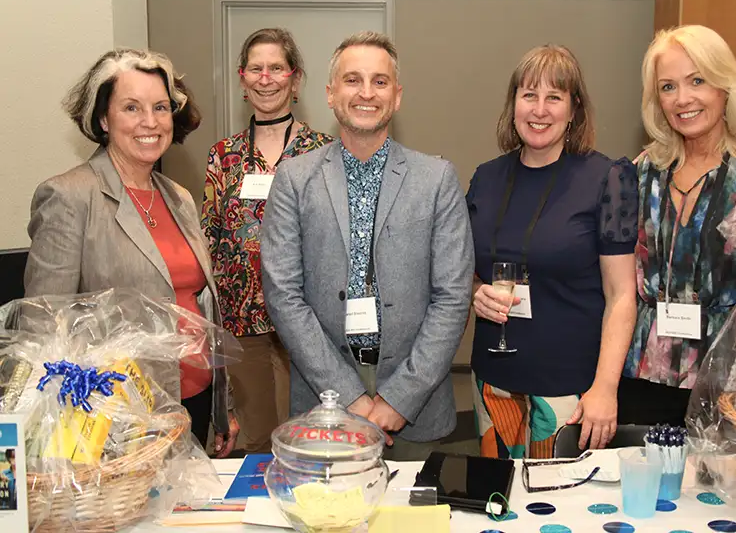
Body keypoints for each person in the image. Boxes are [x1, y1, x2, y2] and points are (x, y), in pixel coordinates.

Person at [261, 31, 474, 461]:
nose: (366, 93)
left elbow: (452, 296)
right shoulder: (294, 179)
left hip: (416, 399)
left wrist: (399, 399)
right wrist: (347, 396)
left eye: (380, 82)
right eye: (352, 80)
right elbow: (283, 294)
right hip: (323, 393)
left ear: (396, 97)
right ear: (330, 93)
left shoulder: (436, 179)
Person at [24, 49, 239, 456]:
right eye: (131, 107)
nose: (150, 122)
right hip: (120, 420)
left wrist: (221, 409)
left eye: (160, 107)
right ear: (104, 119)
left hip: (193, 400)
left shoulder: (177, 196)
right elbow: (42, 329)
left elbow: (201, 305)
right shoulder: (69, 197)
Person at [468, 44, 639, 458]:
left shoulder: (608, 179)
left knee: (557, 509)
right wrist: (475, 292)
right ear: (514, 105)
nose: (539, 110)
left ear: (574, 108)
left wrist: (605, 388)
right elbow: (469, 270)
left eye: (554, 97)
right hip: (494, 382)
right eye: (529, 95)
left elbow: (621, 295)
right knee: (500, 504)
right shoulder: (486, 178)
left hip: (571, 391)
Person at [619, 25, 736, 426]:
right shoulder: (640, 173)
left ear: (725, 86)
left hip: (729, 384)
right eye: (668, 87)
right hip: (644, 375)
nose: (683, 99)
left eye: (697, 80)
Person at [202, 28, 333, 453]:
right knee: (257, 441)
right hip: (242, 323)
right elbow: (210, 238)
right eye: (255, 68)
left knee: (311, 437)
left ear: (295, 79)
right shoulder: (223, 156)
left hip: (308, 319)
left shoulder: (325, 152)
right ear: (242, 79)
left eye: (277, 68)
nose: (266, 78)